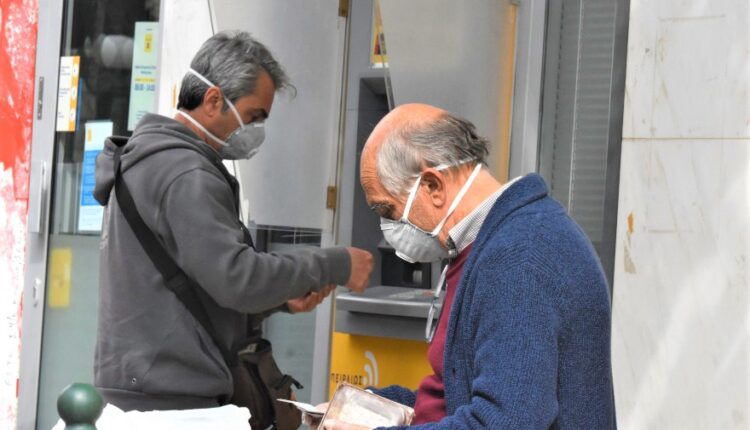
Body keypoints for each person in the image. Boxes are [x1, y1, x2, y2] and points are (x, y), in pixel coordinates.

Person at [93, 30, 373, 411]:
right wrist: (335, 264)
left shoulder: (151, 157)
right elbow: (238, 278)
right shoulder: (186, 172)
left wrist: (280, 301)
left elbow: (198, 281)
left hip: (145, 385)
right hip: (171, 398)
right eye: (254, 117)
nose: (256, 132)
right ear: (213, 100)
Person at [322, 103, 615, 429]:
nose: (389, 228)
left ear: (432, 186)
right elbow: (454, 397)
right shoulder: (490, 243)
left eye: (388, 211)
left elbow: (503, 422)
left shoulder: (519, 256)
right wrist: (364, 409)